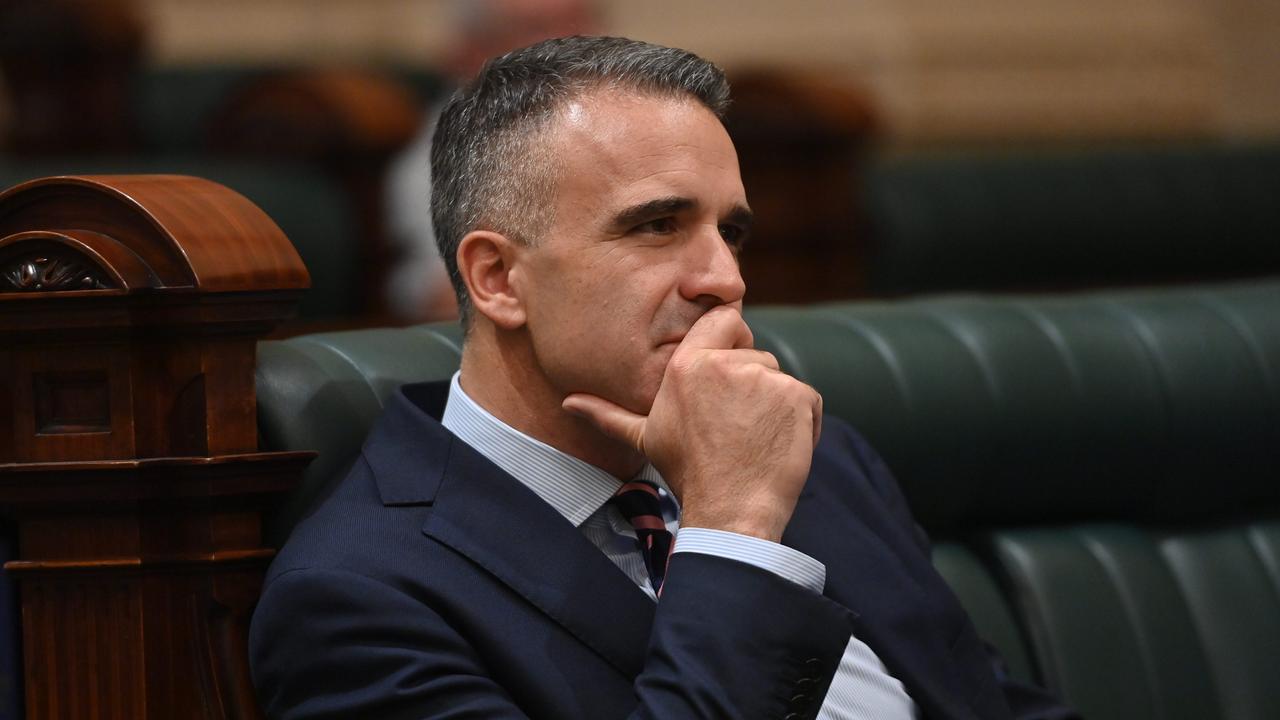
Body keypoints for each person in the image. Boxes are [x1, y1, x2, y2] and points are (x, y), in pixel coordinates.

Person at [250, 36, 1078, 720]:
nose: (724, 277)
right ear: (498, 279)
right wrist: (733, 531)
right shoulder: (357, 600)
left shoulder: (819, 460)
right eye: (656, 226)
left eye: (732, 231)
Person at [384, 0, 600, 322]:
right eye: (537, 28)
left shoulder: (636, 127)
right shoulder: (438, 163)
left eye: (579, 23)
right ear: (472, 52)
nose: (571, 45)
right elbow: (446, 296)